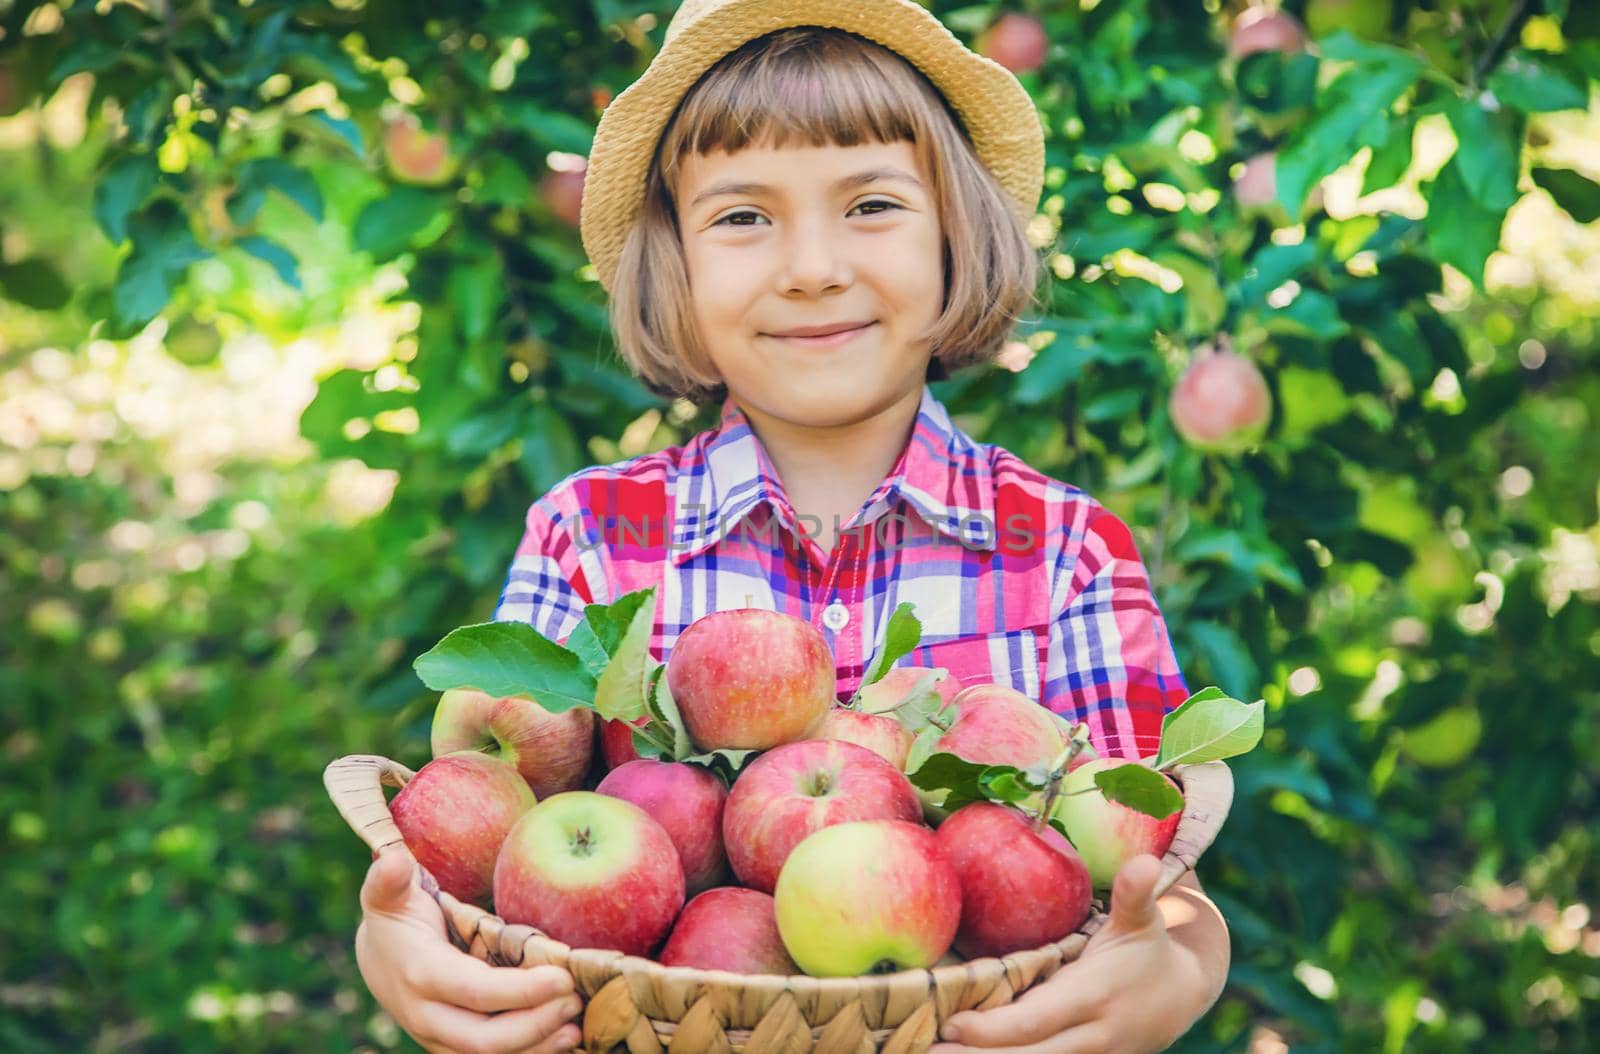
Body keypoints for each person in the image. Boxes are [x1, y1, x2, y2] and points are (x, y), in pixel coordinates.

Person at [356, 2, 1230, 1052]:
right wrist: (397, 950)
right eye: (742, 216)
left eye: (869, 203)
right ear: (673, 262)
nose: (811, 265)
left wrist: (1178, 970)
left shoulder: (1063, 551)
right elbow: (473, 846)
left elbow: (1157, 878)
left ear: (957, 236)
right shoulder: (591, 534)